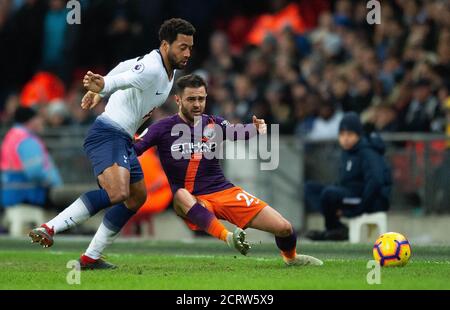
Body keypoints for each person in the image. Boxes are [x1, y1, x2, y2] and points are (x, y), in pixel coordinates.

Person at [29, 18, 196, 270]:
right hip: (107, 133)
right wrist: (104, 86)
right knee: (118, 192)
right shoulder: (153, 68)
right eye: (182, 47)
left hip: (123, 138)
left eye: (190, 47)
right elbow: (122, 80)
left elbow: (123, 67)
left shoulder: (165, 68)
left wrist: (101, 90)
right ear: (165, 45)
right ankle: (49, 227)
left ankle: (90, 257)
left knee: (137, 197)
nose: (187, 53)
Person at [134, 74, 323, 266]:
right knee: (180, 194)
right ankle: (229, 237)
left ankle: (291, 258)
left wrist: (256, 128)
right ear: (178, 100)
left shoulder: (214, 123)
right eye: (191, 99)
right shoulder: (162, 128)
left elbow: (237, 132)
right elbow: (134, 149)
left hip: (223, 191)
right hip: (192, 200)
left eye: (201, 98)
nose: (197, 104)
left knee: (284, 227)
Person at [305, 112, 392, 241]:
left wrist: (357, 209)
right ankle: (337, 228)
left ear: (359, 135)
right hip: (350, 195)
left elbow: (376, 182)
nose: (345, 139)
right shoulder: (348, 152)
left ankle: (333, 229)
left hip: (369, 200)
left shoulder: (367, 152)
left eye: (350, 134)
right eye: (342, 134)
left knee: (329, 194)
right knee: (310, 188)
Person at [1, 107, 62, 236]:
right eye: (38, 118)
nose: (41, 121)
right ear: (30, 121)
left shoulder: (10, 136)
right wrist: (55, 181)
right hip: (28, 194)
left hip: (11, 193)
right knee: (69, 200)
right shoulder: (27, 140)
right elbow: (35, 172)